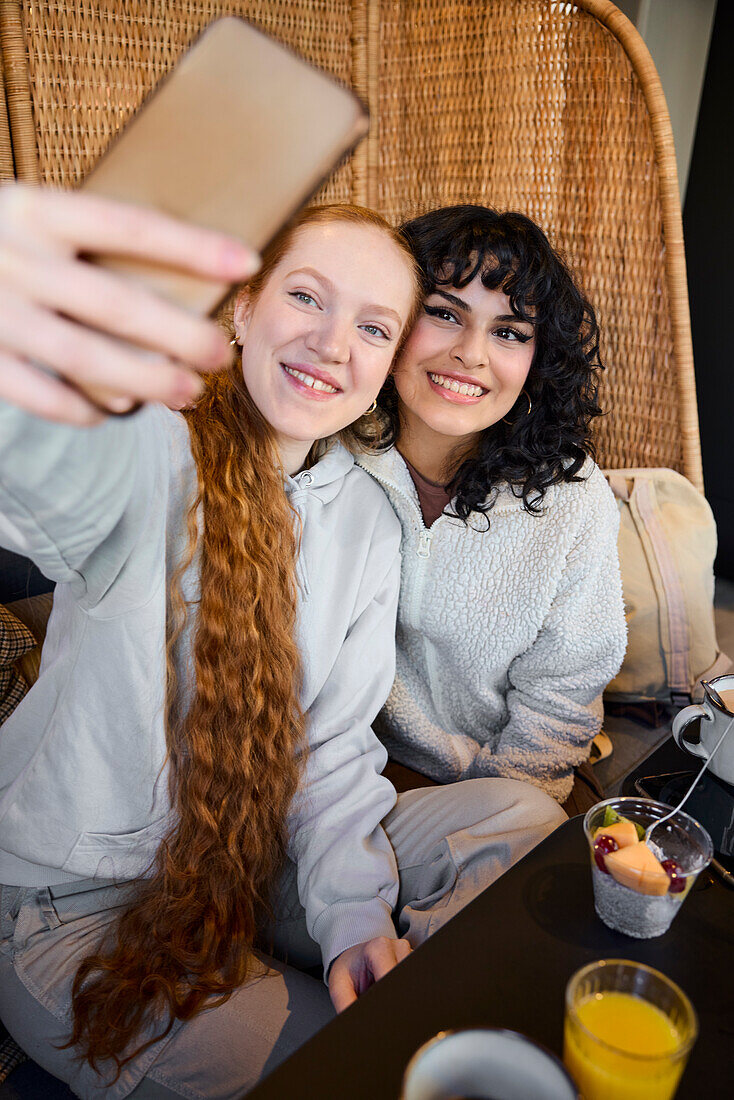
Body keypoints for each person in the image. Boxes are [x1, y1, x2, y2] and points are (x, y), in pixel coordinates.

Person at [0, 187, 565, 1100]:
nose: (334, 345)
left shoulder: (363, 521)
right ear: (244, 306)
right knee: (352, 1069)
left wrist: (351, 920)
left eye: (376, 327)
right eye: (306, 297)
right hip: (74, 908)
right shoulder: (150, 454)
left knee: (522, 825)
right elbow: (33, 465)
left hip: (254, 863)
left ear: (388, 364)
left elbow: (331, 749)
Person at [358, 204, 627, 807]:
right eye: (444, 314)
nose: (471, 353)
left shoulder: (571, 498)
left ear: (538, 361)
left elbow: (563, 693)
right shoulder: (333, 452)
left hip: (508, 780)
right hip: (349, 769)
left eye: (509, 332)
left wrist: (503, 802)